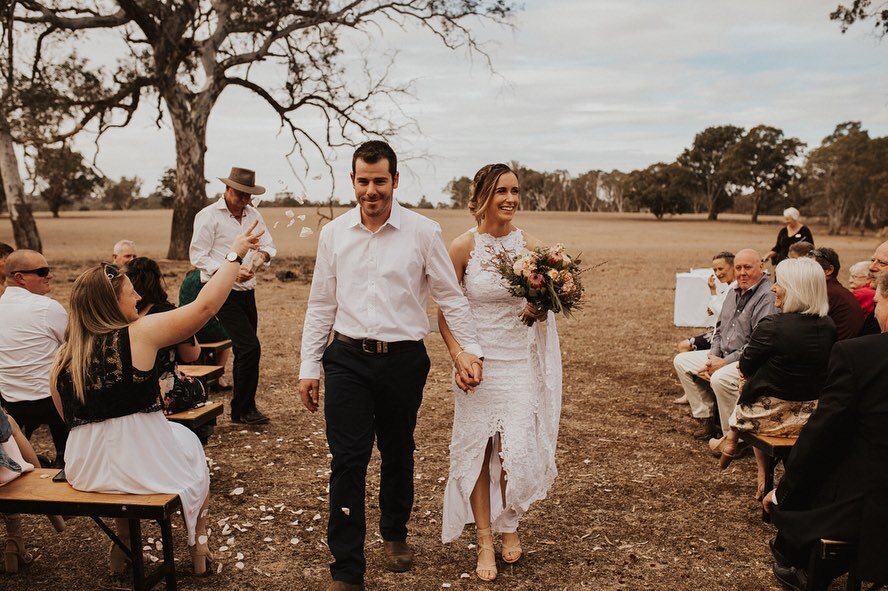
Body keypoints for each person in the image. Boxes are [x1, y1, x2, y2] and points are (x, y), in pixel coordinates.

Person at [298, 141, 484, 591]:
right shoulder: (334, 235)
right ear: (353, 181)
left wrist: (470, 350)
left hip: (403, 360)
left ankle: (395, 533)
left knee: (398, 449)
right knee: (348, 459)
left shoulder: (423, 232)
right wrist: (309, 365)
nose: (371, 190)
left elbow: (450, 297)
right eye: (363, 181)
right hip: (345, 359)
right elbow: (321, 303)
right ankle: (346, 568)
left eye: (380, 181)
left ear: (395, 181)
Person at [49, 221, 263, 576]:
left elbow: (67, 419)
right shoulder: (138, 334)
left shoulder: (62, 357)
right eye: (130, 292)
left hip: (85, 469)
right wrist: (235, 252)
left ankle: (125, 546)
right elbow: (205, 308)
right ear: (110, 302)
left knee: (153, 448)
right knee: (190, 446)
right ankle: (199, 543)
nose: (136, 297)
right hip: (143, 465)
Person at [437, 163, 561, 582]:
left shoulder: (533, 247)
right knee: (480, 451)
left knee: (516, 453)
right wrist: (459, 356)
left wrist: (539, 305)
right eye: (501, 191)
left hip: (519, 363)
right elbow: (446, 314)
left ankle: (511, 522)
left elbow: (546, 304)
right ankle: (486, 538)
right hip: (478, 364)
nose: (510, 198)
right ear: (482, 195)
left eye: (515, 190)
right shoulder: (462, 247)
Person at [762, 270, 888, 591]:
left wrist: (785, 491)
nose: (875, 310)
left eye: (878, 301)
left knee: (821, 475)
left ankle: (802, 565)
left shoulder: (860, 355)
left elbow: (820, 437)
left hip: (874, 506)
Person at [713, 258, 836, 501]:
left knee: (747, 385)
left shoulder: (772, 325)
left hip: (768, 417)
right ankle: (735, 445)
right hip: (811, 415)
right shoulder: (829, 325)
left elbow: (746, 366)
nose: (772, 288)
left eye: (779, 283)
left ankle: (736, 444)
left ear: (795, 289)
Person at [190, 167, 276, 425]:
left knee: (245, 349)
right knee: (250, 347)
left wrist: (261, 258)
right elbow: (198, 256)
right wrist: (229, 270)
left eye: (248, 195)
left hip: (247, 291)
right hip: (220, 291)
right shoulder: (208, 216)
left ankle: (243, 410)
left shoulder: (254, 214)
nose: (244, 200)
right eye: (240, 194)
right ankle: (243, 408)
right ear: (227, 189)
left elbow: (268, 245)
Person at [673, 249, 779, 441]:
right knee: (682, 361)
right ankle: (706, 416)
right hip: (723, 354)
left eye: (747, 267)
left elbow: (757, 344)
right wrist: (713, 356)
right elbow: (720, 329)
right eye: (738, 268)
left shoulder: (766, 296)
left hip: (747, 359)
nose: (742, 272)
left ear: (761, 267)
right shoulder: (734, 291)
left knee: (719, 378)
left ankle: (733, 438)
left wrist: (723, 362)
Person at [0, 250, 69, 467]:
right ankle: (66, 456)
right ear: (20, 277)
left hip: (11, 401)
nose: (49, 275)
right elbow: (71, 347)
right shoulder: (47, 307)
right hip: (51, 400)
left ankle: (26, 459)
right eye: (42, 271)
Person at [125, 258, 206, 415]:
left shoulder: (119, 314)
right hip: (162, 393)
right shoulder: (167, 312)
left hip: (128, 393)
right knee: (199, 386)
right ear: (157, 281)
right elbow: (191, 355)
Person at [673, 251, 736, 405]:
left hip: (723, 337)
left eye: (721, 269)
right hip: (717, 333)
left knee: (684, 346)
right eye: (715, 270)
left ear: (733, 267)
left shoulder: (735, 288)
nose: (718, 273)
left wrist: (713, 295)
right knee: (684, 348)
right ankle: (692, 390)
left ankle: (695, 391)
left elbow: (723, 312)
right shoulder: (728, 287)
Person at [178, 269, 232, 390]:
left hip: (184, 323)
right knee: (228, 335)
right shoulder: (210, 277)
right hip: (201, 326)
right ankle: (219, 376)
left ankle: (206, 370)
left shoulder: (188, 277)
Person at [807, 247, 864, 340]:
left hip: (835, 350)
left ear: (828, 270)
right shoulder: (835, 291)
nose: (804, 272)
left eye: (811, 268)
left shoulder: (827, 293)